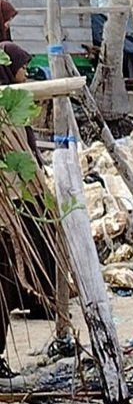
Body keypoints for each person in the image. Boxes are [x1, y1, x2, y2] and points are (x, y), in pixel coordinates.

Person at [0, 42, 61, 377]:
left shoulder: (14, 106)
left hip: (24, 193)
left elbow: (27, 149)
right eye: (21, 67)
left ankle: (40, 298)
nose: (25, 73)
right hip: (13, 199)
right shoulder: (5, 111)